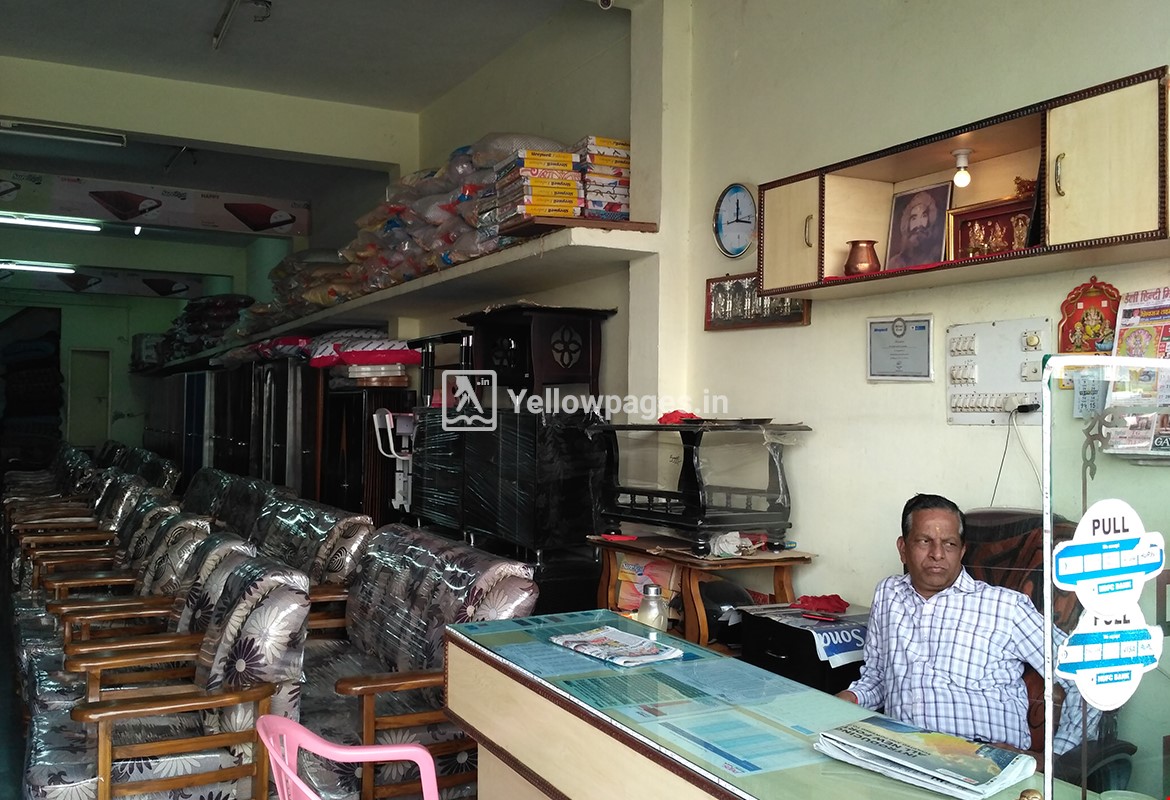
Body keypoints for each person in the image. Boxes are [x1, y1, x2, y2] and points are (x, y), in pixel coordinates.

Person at [836, 493, 1099, 755]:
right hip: (903, 752)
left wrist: (1054, 759)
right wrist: (843, 701)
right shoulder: (889, 594)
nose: (937, 554)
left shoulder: (1004, 607)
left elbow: (1087, 673)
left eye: (949, 544)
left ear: (962, 550)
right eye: (925, 541)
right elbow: (878, 677)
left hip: (980, 758)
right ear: (903, 548)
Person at [886, 190, 943, 269]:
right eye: (914, 218)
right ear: (907, 224)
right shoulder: (895, 262)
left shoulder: (936, 258)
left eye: (924, 216)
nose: (918, 224)